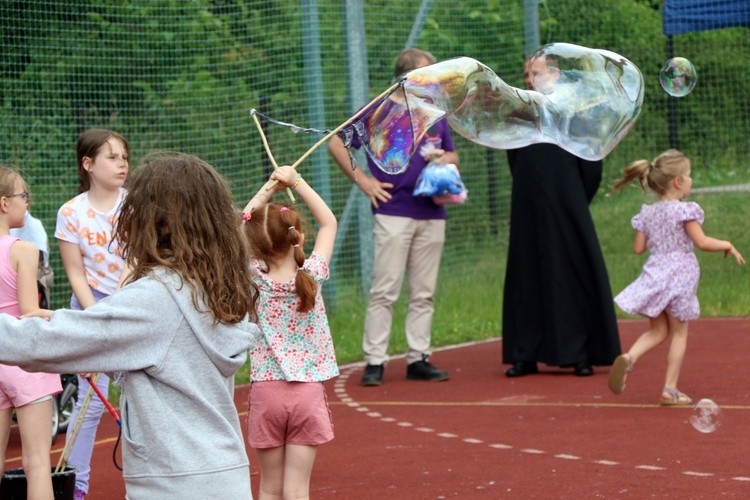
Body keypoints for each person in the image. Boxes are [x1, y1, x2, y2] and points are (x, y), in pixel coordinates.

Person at [0, 152, 260, 499]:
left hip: (173, 486)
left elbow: (37, 344)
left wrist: (76, 331)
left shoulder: (156, 298)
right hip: (224, 476)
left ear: (154, 221)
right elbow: (164, 355)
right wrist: (82, 326)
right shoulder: (213, 287)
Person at [327, 47, 459, 386]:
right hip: (393, 210)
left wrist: (445, 159)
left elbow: (453, 154)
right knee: (385, 290)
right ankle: (375, 361)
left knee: (424, 292)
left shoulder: (434, 113)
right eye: (426, 73)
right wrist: (365, 183)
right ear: (406, 76)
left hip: (432, 211)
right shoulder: (379, 110)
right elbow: (335, 143)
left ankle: (419, 358)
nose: (433, 80)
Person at [502, 57, 621, 377]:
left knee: (574, 272)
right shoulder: (520, 112)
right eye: (526, 73)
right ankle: (524, 354)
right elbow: (514, 158)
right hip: (527, 203)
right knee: (526, 274)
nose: (529, 79)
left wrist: (573, 199)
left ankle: (580, 353)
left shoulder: (577, 111)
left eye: (536, 73)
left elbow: (592, 162)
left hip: (568, 204)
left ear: (555, 74)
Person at [608, 149, 744, 405]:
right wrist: (727, 244)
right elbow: (702, 242)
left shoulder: (648, 213)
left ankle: (629, 358)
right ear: (678, 182)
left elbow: (638, 249)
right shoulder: (684, 211)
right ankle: (670, 389)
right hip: (681, 275)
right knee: (679, 334)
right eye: (689, 175)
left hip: (655, 275)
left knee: (658, 331)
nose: (691, 180)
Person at [242, 165, 338, 499]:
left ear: (255, 247)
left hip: (266, 391)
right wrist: (296, 181)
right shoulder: (312, 276)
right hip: (307, 393)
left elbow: (238, 223)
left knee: (269, 489)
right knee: (298, 490)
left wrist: (270, 186)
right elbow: (328, 222)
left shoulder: (253, 278)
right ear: (295, 234)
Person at [54, 128, 129, 499]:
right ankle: (77, 486)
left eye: (124, 157)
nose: (121, 164)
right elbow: (74, 272)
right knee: (89, 404)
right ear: (88, 164)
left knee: (141, 398)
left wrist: (123, 305)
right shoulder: (71, 212)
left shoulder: (137, 204)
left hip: (132, 305)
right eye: (112, 157)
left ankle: (147, 480)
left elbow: (144, 262)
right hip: (90, 308)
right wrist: (97, 315)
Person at [0, 166, 62, 500]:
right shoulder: (23, 249)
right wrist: (64, 319)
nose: (28, 203)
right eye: (24, 196)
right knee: (37, 462)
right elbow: (28, 312)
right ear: (4, 203)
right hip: (22, 360)